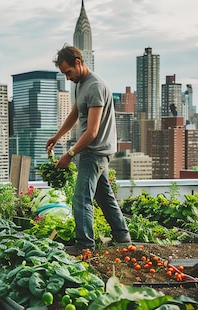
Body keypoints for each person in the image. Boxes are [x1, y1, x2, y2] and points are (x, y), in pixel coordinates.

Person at [46, 45, 131, 256]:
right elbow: (75, 113)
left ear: (78, 62)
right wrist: (57, 137)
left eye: (68, 72)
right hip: (93, 150)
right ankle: (122, 236)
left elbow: (92, 132)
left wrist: (70, 154)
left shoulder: (95, 87)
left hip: (94, 150)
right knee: (103, 196)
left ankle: (85, 245)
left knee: (81, 198)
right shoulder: (80, 85)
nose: (67, 78)